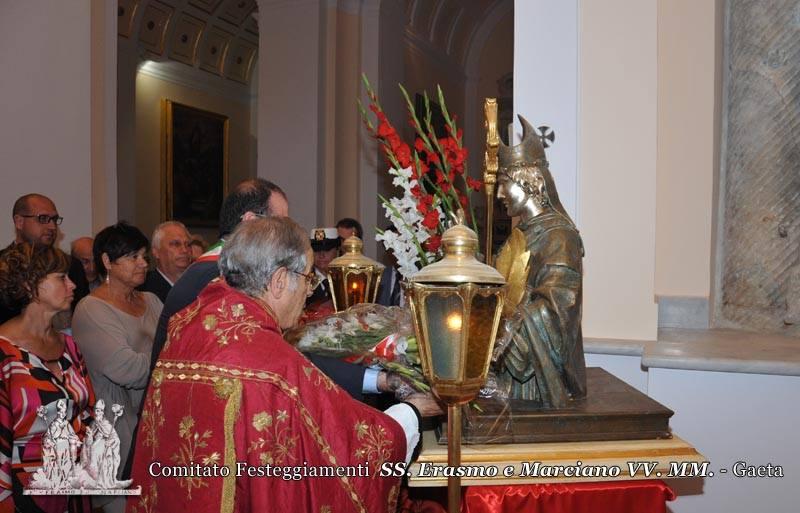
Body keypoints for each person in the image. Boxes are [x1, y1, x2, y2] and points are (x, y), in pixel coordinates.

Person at [129, 217, 440, 512]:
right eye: (307, 277)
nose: (308, 289)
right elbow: (348, 445)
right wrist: (411, 411)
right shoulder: (269, 361)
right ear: (278, 281)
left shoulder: (188, 327)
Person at [492, 115, 586, 408]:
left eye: (504, 184)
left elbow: (558, 308)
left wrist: (507, 328)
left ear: (528, 182)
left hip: (533, 378)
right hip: (510, 372)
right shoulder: (520, 235)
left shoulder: (559, 237)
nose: (498, 195)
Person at [71, 222, 161, 512]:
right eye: (133, 256)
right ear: (107, 261)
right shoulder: (92, 309)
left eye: (144, 256)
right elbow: (129, 370)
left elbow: (182, 347)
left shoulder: (152, 300)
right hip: (117, 433)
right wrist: (167, 359)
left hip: (154, 426)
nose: (143, 263)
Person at [0, 242, 95, 512]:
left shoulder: (69, 346)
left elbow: (87, 412)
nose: (73, 285)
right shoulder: (4, 355)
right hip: (25, 495)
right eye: (61, 278)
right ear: (31, 286)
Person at [1, 194, 90, 323]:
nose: (52, 227)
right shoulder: (2, 264)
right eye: (43, 218)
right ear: (19, 222)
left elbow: (82, 317)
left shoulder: (72, 265)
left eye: (54, 219)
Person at [137, 221, 192, 302]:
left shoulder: (200, 286)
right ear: (156, 252)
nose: (184, 250)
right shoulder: (143, 291)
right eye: (175, 244)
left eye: (188, 245)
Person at [306, 227, 340, 307]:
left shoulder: (344, 279)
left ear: (337, 251)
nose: (321, 255)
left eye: (327, 250)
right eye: (316, 250)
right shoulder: (304, 280)